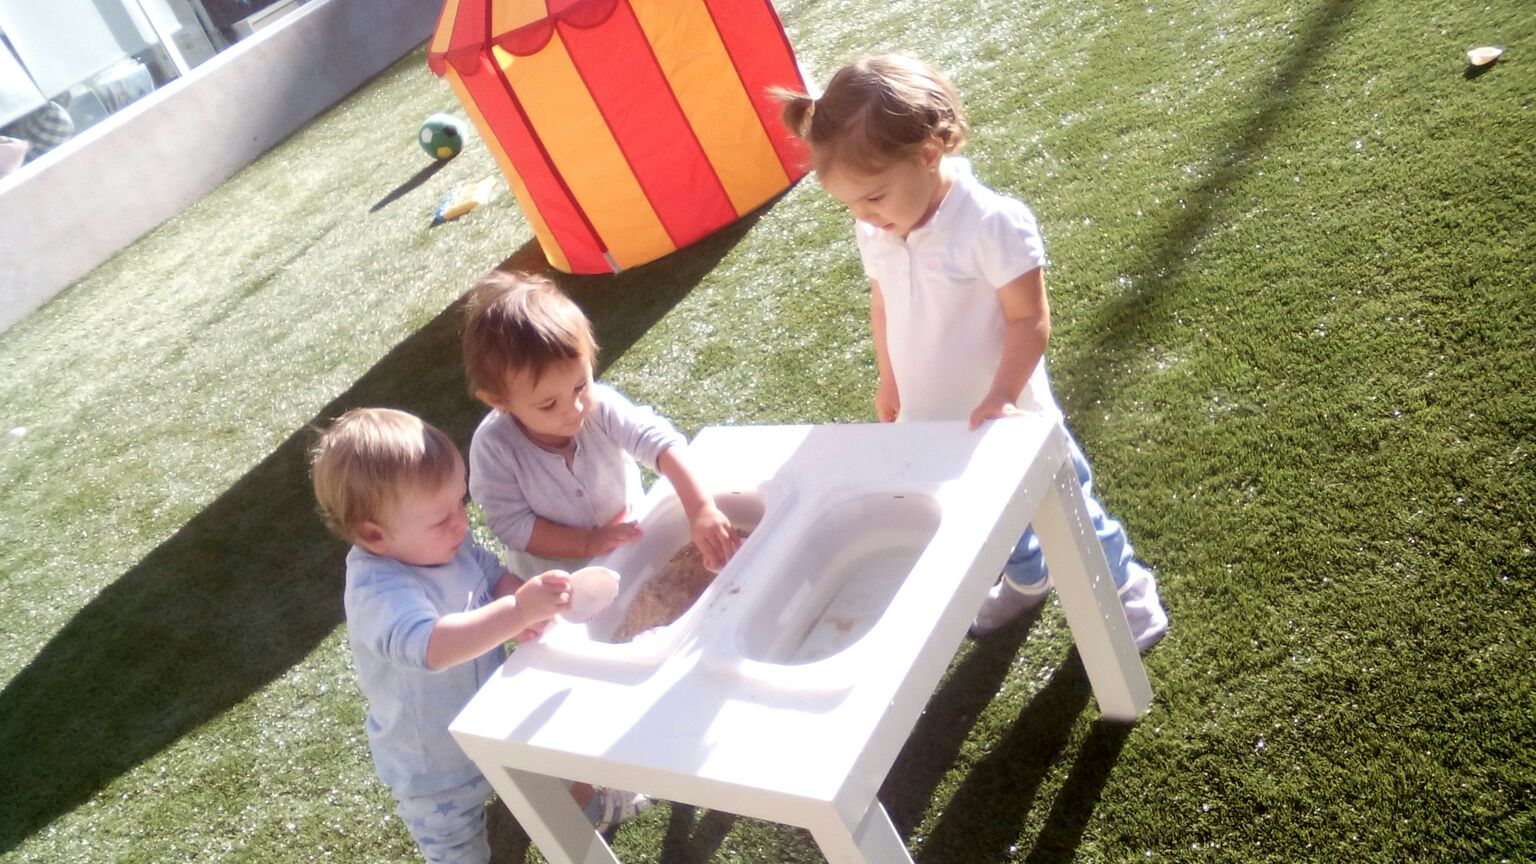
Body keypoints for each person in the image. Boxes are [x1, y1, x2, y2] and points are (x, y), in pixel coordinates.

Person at [776, 53, 1168, 650]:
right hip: (935, 423)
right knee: (984, 514)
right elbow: (884, 301)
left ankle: (1126, 591)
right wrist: (889, 379)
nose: (864, 217)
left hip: (1013, 419)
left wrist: (1002, 396)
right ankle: (1028, 578)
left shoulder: (991, 223)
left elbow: (1029, 319)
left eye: (874, 196)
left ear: (929, 153)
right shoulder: (877, 228)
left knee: (1071, 513)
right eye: (850, 205)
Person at [310, 407, 649, 864]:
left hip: (493, 716)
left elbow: (490, 574)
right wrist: (517, 611)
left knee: (550, 765)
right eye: (440, 517)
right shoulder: (378, 589)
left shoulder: (442, 543)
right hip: (435, 765)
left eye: (460, 503)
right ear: (375, 535)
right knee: (458, 850)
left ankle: (588, 808)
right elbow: (434, 646)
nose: (460, 523)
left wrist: (517, 594)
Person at [461, 270, 740, 581]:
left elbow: (658, 441)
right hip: (561, 582)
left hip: (631, 541)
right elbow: (512, 524)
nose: (575, 408)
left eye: (580, 385)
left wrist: (700, 507)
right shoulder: (494, 448)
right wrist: (587, 543)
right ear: (499, 401)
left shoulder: (600, 406)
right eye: (548, 404)